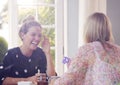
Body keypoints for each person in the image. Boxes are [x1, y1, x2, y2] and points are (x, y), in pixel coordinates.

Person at [49, 12, 120, 85]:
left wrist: (52, 81)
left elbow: (67, 81)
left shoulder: (87, 50)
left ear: (88, 30)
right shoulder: (117, 50)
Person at [0, 15, 56, 85]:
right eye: (33, 34)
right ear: (22, 35)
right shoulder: (11, 54)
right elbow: (2, 80)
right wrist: (27, 80)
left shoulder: (40, 54)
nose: (37, 38)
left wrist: (47, 53)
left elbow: (52, 78)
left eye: (39, 35)